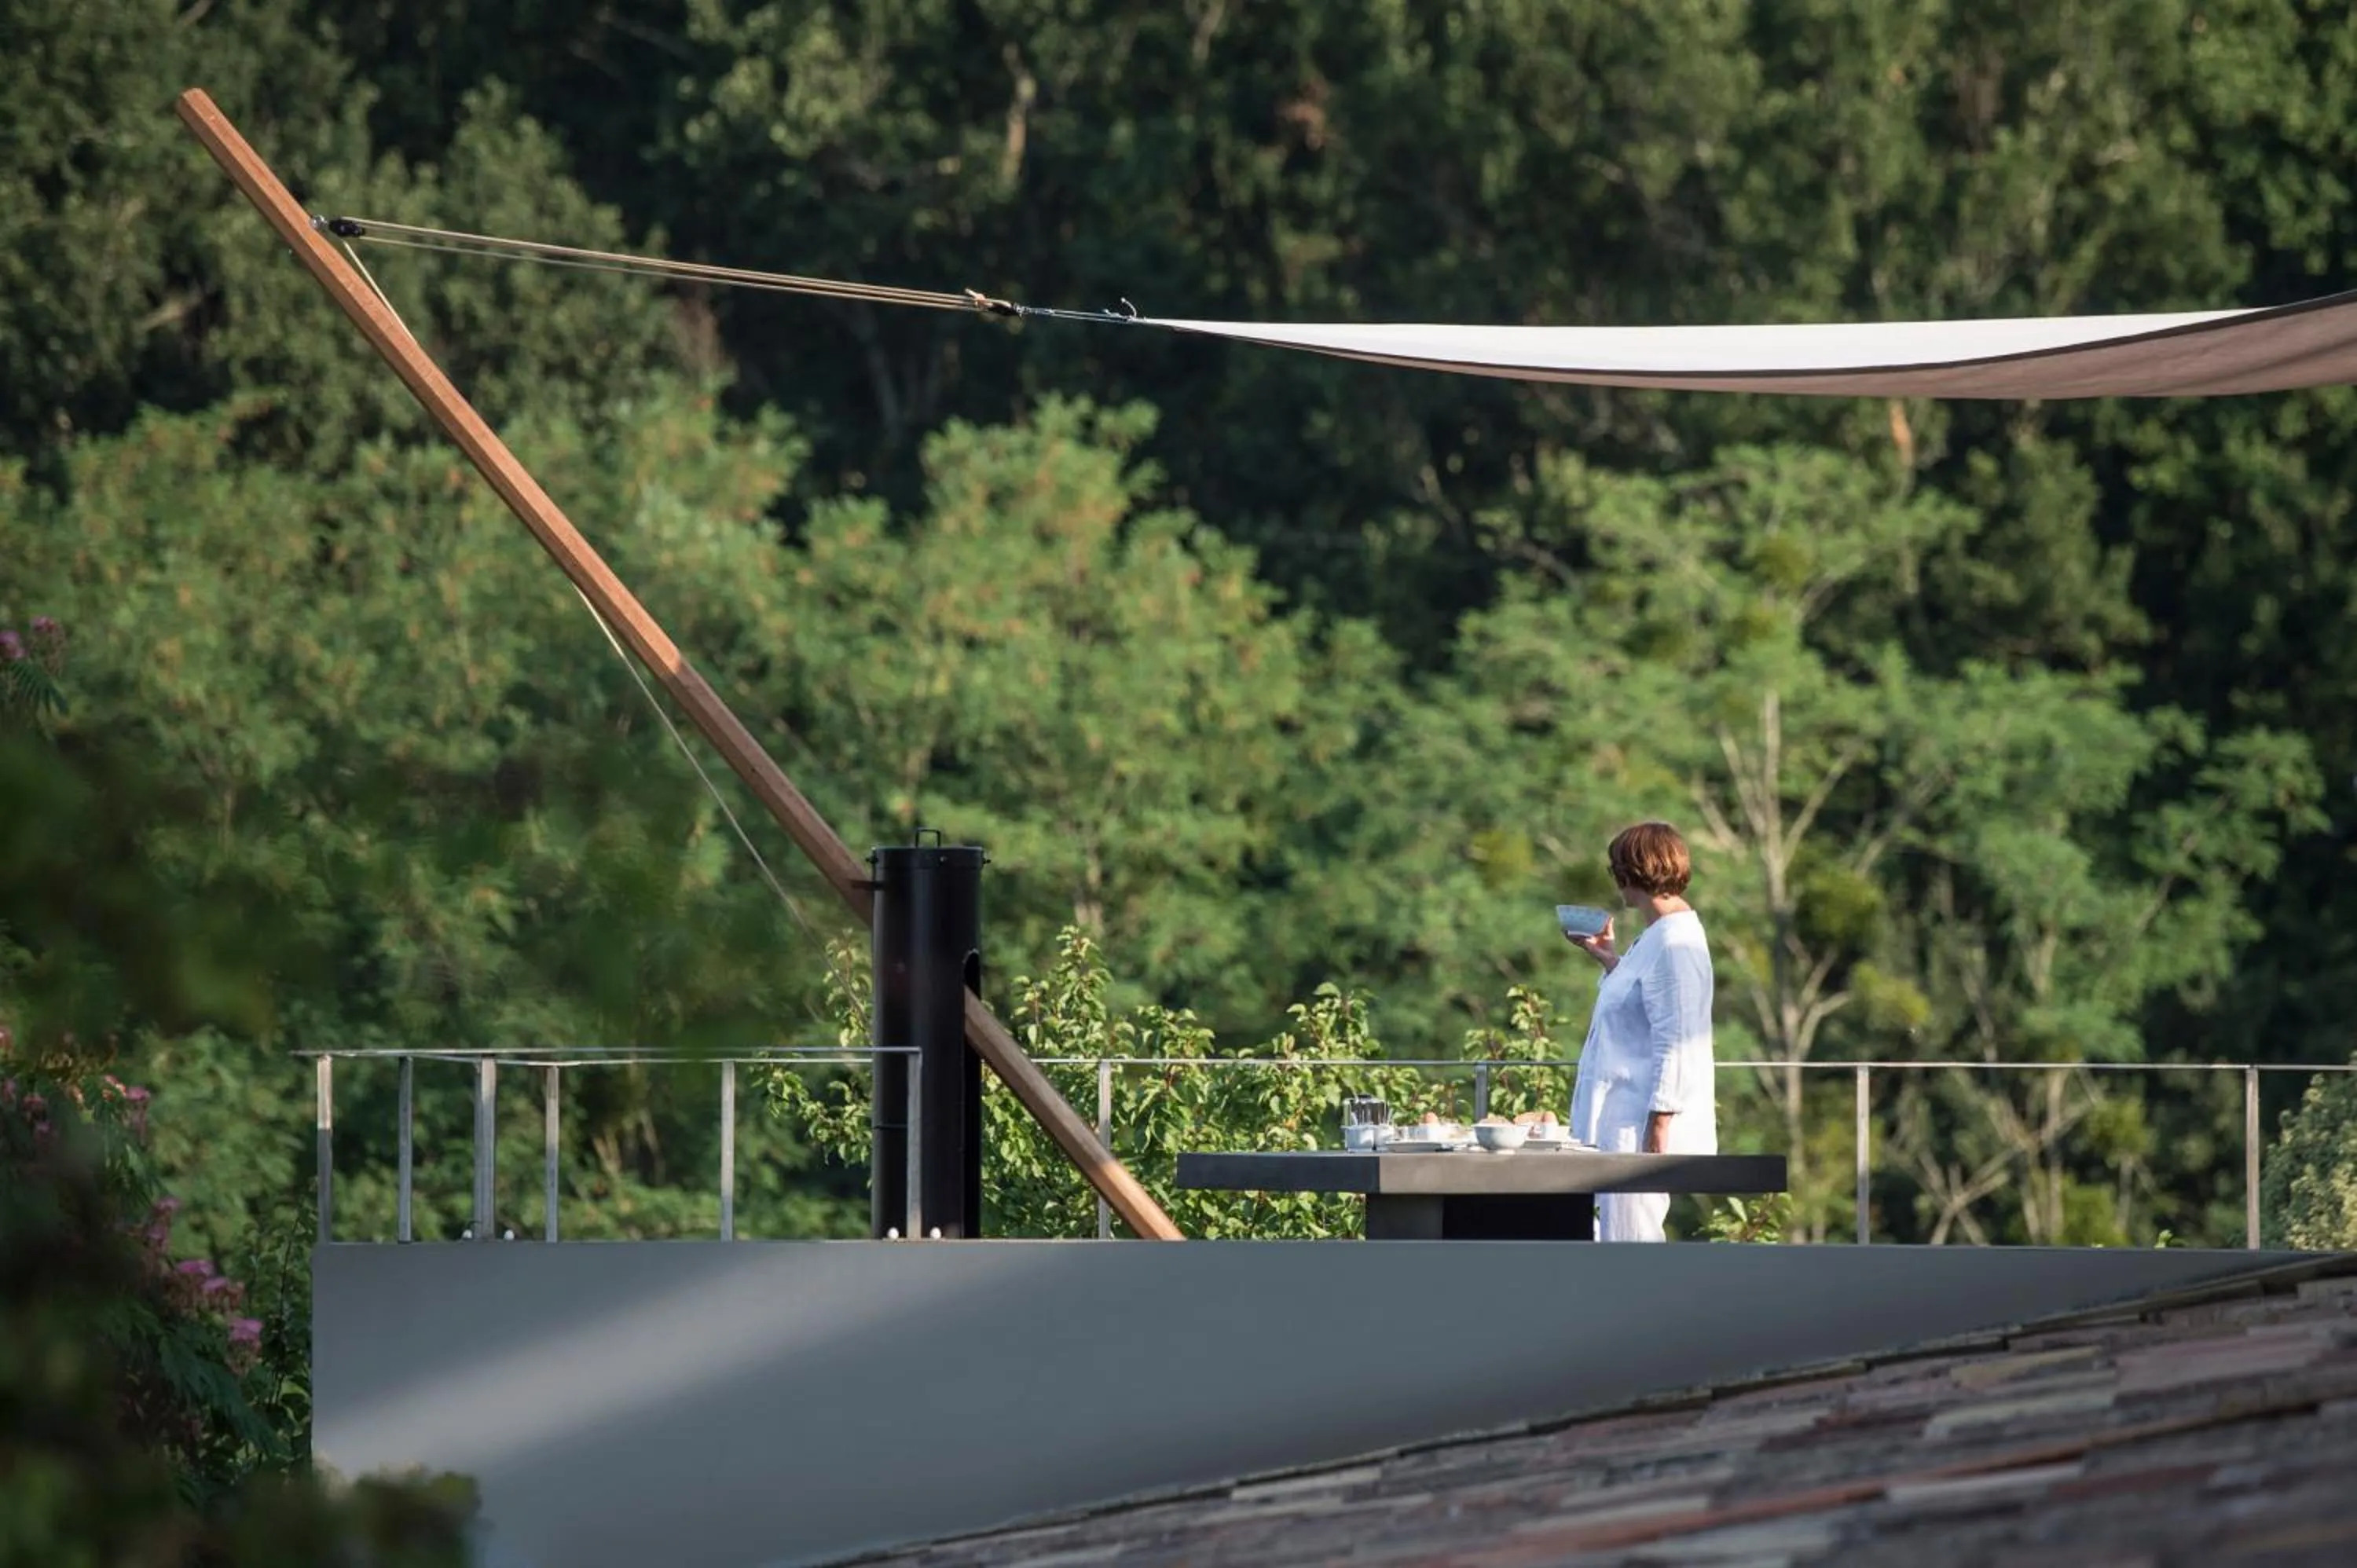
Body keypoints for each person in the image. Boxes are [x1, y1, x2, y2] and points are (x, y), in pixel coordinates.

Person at [1563, 821, 1718, 1242]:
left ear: (1634, 873)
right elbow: (1641, 1003)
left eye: (1617, 870)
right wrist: (1609, 960)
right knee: (1613, 1235)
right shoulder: (1657, 937)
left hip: (1640, 1122)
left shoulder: (1676, 943)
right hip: (1626, 1119)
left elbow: (1677, 1036)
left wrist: (1659, 1125)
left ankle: (1639, 1308)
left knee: (1630, 1239)